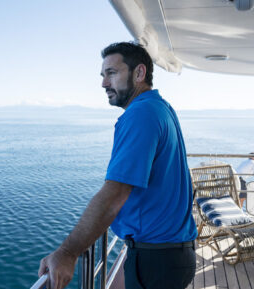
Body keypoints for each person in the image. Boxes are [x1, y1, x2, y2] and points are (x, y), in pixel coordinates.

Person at [38, 42, 198, 289]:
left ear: (139, 73)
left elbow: (114, 195)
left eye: (111, 73)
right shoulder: (162, 108)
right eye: (103, 75)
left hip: (156, 260)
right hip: (172, 254)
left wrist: (67, 253)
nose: (104, 83)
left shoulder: (140, 114)